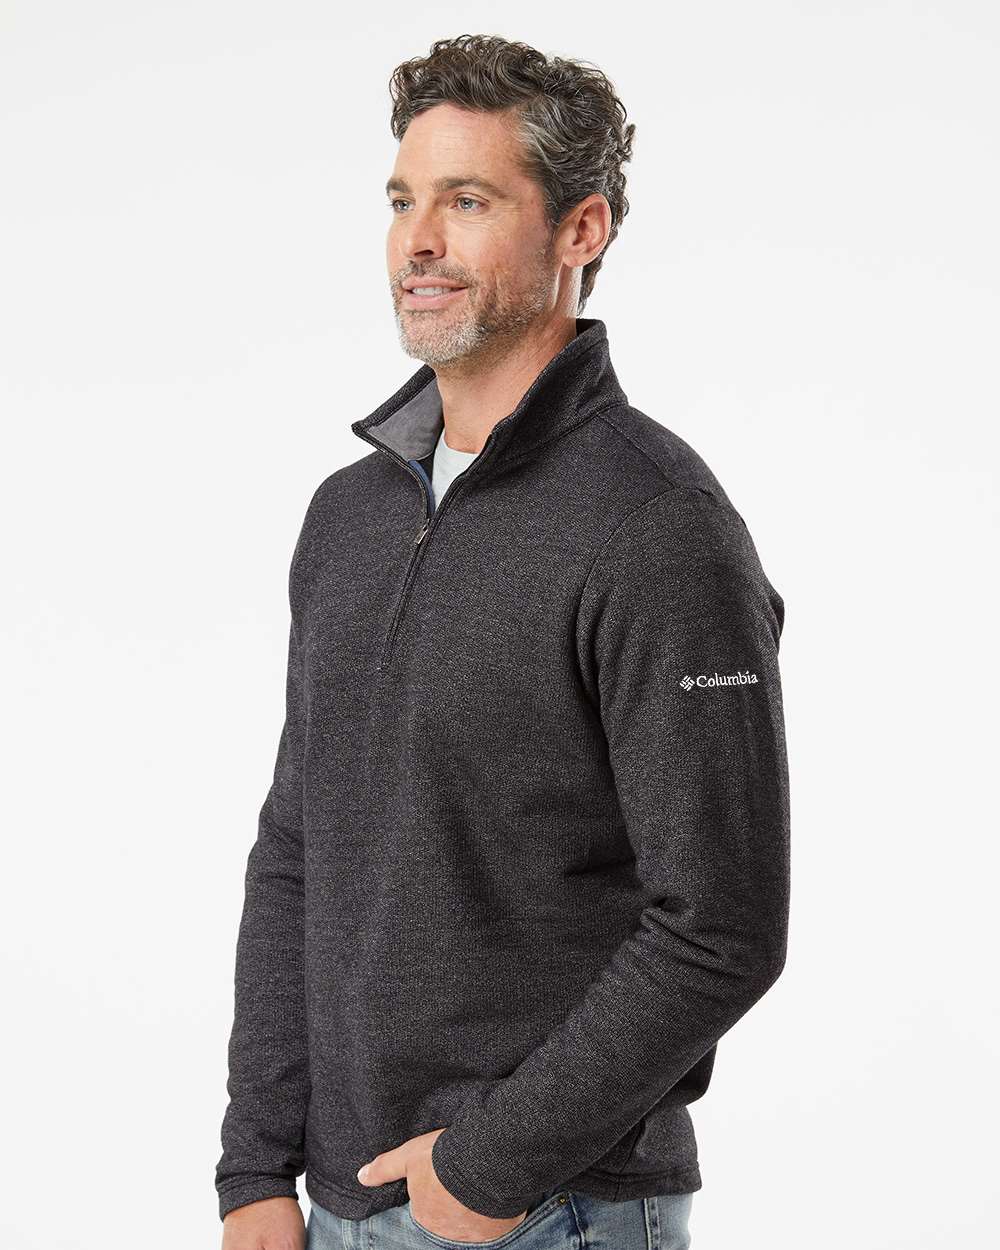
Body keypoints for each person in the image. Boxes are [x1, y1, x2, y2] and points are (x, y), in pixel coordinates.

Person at [217, 33, 790, 1250]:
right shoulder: (349, 515)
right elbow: (297, 848)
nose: (417, 241)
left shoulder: (659, 528)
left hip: (546, 1208)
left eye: (467, 201)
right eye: (402, 201)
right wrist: (255, 1165)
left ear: (580, 229)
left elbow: (720, 925)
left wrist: (487, 1164)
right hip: (334, 1204)